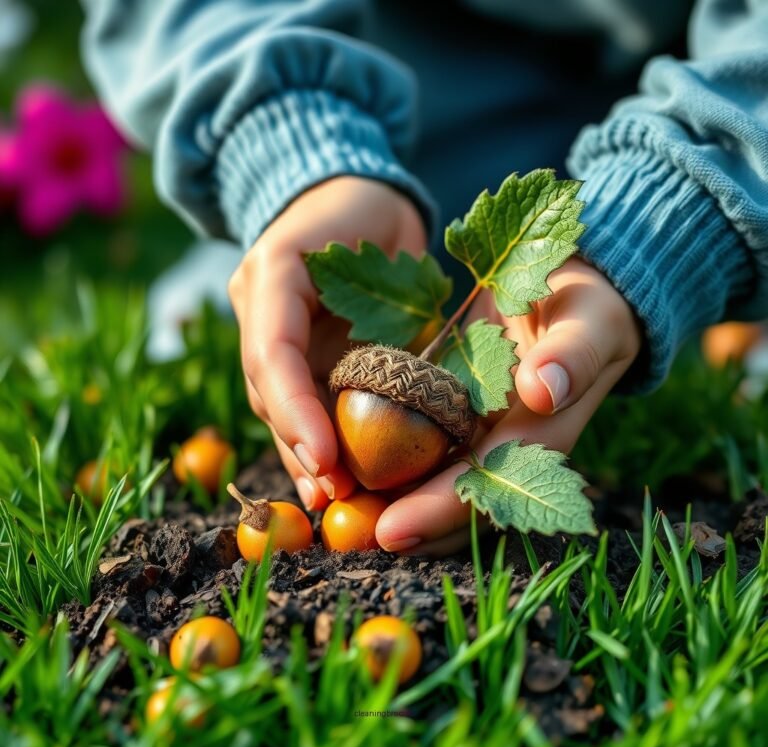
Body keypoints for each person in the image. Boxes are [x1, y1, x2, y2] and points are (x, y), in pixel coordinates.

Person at [81, 0, 768, 556]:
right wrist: (289, 151)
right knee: (204, 312)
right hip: (376, 125)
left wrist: (676, 208)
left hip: (702, 113)